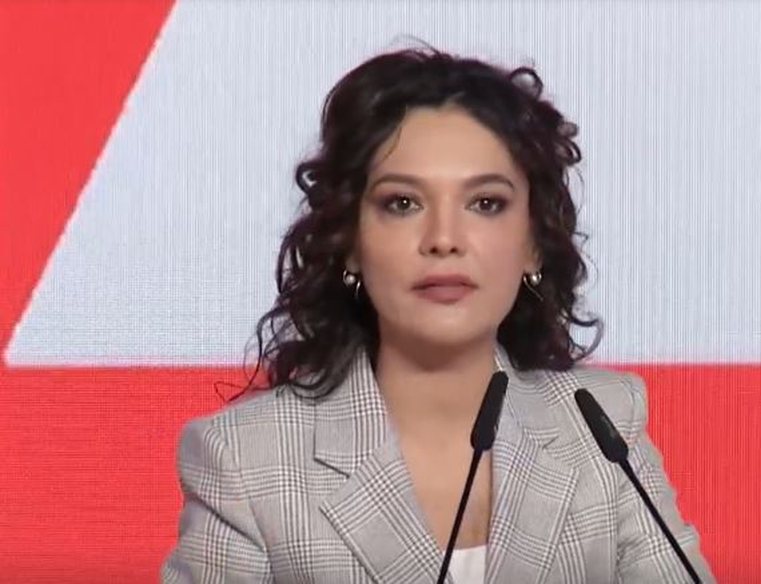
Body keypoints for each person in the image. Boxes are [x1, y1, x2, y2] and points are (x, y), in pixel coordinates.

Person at [161, 46, 715, 583]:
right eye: (402, 204)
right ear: (349, 243)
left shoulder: (600, 427)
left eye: (486, 203)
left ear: (533, 244)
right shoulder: (247, 461)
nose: (444, 239)